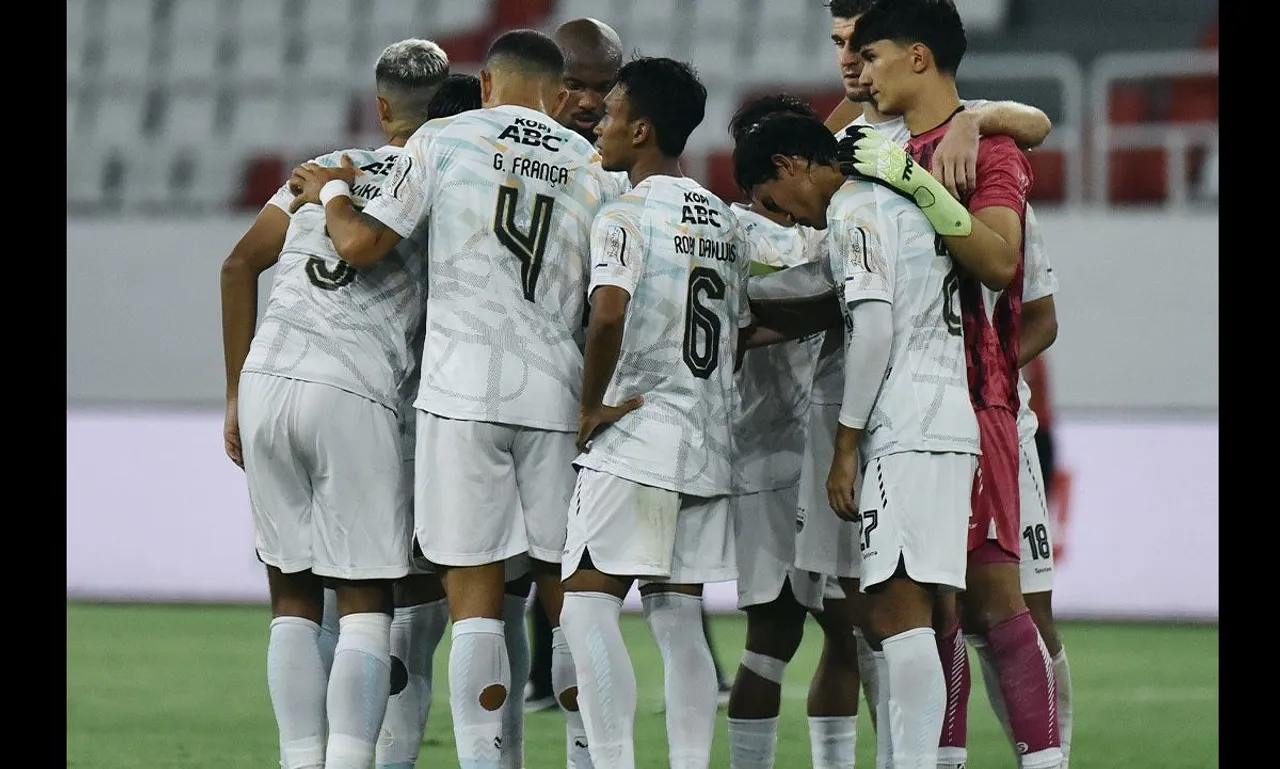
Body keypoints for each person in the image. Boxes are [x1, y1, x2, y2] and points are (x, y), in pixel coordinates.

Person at [290, 28, 612, 769]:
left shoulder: (445, 136)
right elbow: (607, 297)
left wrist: (333, 189)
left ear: (490, 84)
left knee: (473, 604)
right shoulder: (591, 162)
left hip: (464, 389)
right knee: (569, 604)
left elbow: (364, 245)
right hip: (558, 397)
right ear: (559, 94)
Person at [813, 5, 1059, 766]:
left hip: (972, 406)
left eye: (864, 46)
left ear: (913, 53)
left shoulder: (977, 150)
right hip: (916, 404)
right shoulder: (876, 146)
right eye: (841, 47)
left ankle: (1050, 755)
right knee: (936, 606)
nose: (852, 64)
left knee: (999, 605)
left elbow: (1001, 265)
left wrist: (971, 124)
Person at [221, 38, 449, 769]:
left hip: (266, 381)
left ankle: (299, 759)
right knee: (364, 598)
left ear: (380, 105)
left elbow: (236, 265)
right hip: (351, 388)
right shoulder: (440, 175)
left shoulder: (315, 175)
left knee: (291, 591)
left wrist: (233, 392)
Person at [734, 107, 981, 769]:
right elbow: (824, 289)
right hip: (945, 413)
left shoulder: (853, 209)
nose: (784, 215)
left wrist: (844, 446)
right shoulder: (896, 200)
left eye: (772, 201)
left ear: (788, 166)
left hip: (904, 424)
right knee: (910, 615)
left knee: (898, 621)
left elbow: (871, 327)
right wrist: (748, 313)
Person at [524, 16, 737, 716]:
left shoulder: (624, 207)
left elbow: (608, 313)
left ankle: (602, 756)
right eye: (581, 91)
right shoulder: (720, 217)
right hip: (703, 433)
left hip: (630, 427)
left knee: (583, 605)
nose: (597, 116)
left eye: (608, 104)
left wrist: (590, 406)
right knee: (678, 617)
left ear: (638, 127)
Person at [722, 94, 869, 769]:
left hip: (819, 453)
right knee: (792, 633)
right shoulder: (733, 232)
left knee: (836, 630)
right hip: (768, 456)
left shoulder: (829, 221)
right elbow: (756, 308)